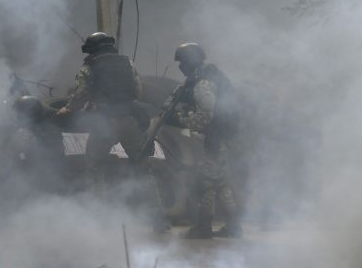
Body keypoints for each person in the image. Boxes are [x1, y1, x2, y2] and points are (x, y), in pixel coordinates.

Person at [57, 32, 168, 232]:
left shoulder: (90, 66)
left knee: (94, 167)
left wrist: (69, 108)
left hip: (105, 121)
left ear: (92, 49)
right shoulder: (128, 63)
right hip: (131, 120)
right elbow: (138, 90)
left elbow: (81, 93)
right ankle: (159, 220)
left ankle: (98, 218)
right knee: (143, 169)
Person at [170, 43, 242, 239]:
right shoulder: (208, 76)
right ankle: (234, 226)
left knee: (205, 183)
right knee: (220, 182)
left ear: (189, 62)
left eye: (182, 63)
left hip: (215, 137)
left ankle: (203, 227)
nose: (180, 67)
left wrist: (180, 120)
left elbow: (205, 117)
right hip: (221, 136)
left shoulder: (203, 83)